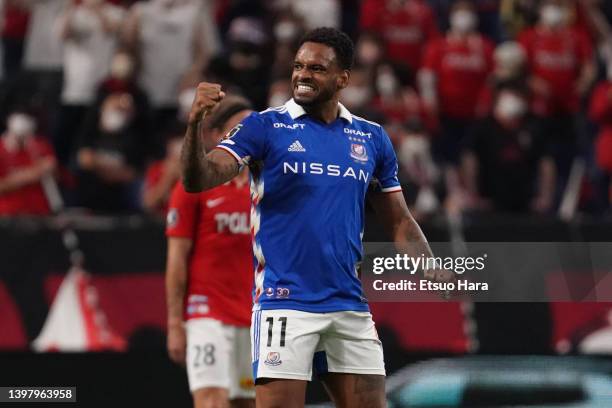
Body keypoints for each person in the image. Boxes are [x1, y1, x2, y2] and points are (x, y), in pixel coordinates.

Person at [181, 27, 448, 408]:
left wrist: (428, 265)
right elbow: (199, 178)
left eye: (317, 68)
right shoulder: (265, 127)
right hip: (285, 304)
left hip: (349, 306)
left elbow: (399, 221)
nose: (303, 75)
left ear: (343, 78)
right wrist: (194, 126)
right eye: (298, 66)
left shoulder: (370, 138)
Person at [166, 95, 255, 408]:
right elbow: (176, 259)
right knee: (212, 402)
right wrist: (176, 324)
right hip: (207, 313)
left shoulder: (267, 188)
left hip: (255, 316)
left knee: (248, 403)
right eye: (239, 128)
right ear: (218, 135)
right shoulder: (194, 186)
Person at [0, 110, 57, 215]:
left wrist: (50, 169)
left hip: (40, 213)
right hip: (8, 214)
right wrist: (30, 174)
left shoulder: (41, 146)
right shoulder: (2, 149)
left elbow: (56, 176)